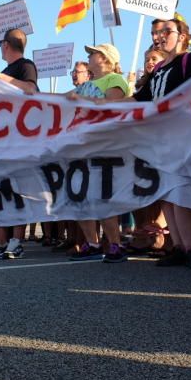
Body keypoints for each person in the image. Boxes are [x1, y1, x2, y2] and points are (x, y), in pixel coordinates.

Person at [132, 14, 191, 269]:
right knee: (167, 193)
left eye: (167, 31)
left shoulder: (188, 60)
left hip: (181, 135)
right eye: (156, 32)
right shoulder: (158, 71)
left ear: (182, 36)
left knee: (181, 192)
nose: (159, 36)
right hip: (160, 138)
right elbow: (137, 100)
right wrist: (96, 105)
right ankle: (177, 245)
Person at [64, 44, 133, 262]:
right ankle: (92, 243)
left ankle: (115, 244)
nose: (88, 57)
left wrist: (84, 100)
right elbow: (57, 99)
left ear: (103, 58)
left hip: (105, 145)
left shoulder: (114, 80)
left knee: (102, 196)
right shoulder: (87, 85)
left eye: (92, 54)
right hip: (83, 145)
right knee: (82, 195)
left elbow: (112, 106)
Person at [0, 29, 39, 260]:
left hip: (21, 140)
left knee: (18, 190)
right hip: (3, 140)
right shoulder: (4, 72)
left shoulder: (25, 65)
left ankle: (16, 240)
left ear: (6, 45)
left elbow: (30, 89)